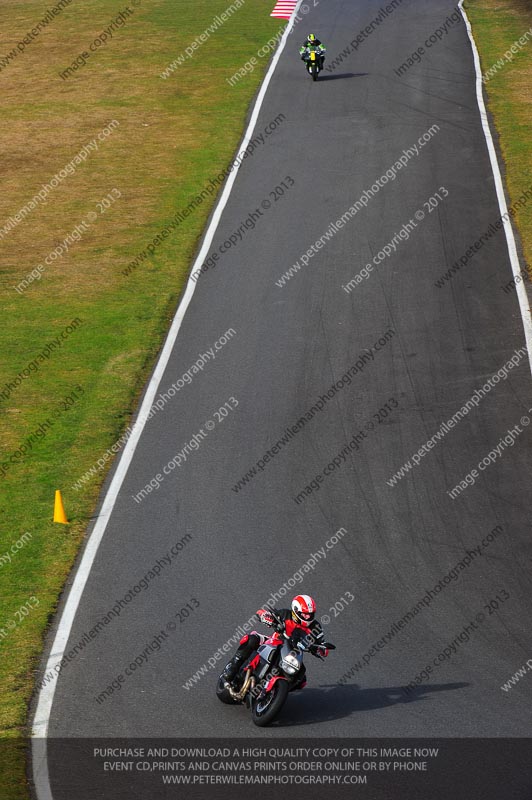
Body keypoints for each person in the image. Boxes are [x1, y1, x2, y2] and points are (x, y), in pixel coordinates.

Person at [222, 594, 328, 689]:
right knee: (252, 639)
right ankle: (232, 668)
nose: (308, 617)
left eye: (310, 614)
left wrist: (321, 650)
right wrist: (265, 616)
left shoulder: (316, 627)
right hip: (274, 641)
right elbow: (261, 612)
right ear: (296, 611)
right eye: (305, 614)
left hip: (294, 653)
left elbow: (322, 644)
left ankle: (277, 690)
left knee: (301, 679)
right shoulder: (285, 614)